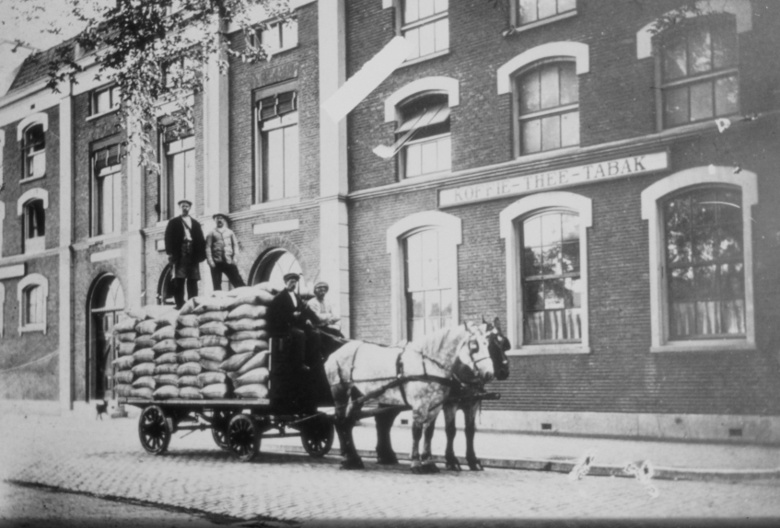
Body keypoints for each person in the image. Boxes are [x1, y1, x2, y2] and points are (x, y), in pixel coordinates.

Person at [266, 273, 322, 372]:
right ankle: (299, 363)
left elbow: (303, 310)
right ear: (285, 282)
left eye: (295, 282)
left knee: (315, 333)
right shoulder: (280, 297)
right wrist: (291, 315)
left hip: (296, 324)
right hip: (283, 327)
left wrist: (308, 320)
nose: (293, 284)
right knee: (300, 334)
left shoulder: (296, 297)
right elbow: (274, 315)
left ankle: (314, 359)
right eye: (291, 282)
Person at [164, 199, 206, 309]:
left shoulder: (195, 223)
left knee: (193, 278)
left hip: (193, 252)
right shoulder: (173, 222)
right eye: (183, 206)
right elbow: (168, 238)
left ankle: (193, 302)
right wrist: (170, 253)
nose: (185, 208)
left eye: (187, 206)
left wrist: (201, 255)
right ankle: (179, 303)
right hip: (180, 252)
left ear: (190, 208)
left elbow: (201, 239)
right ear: (179, 207)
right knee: (179, 278)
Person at [205, 213, 246, 291]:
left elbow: (235, 246)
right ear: (215, 220)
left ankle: (245, 294)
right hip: (216, 262)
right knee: (217, 285)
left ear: (224, 220)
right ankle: (219, 301)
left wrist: (235, 259)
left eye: (221, 218)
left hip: (229, 261)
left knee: (237, 281)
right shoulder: (211, 233)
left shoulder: (230, 232)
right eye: (217, 218)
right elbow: (208, 248)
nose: (219, 220)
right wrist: (211, 262)